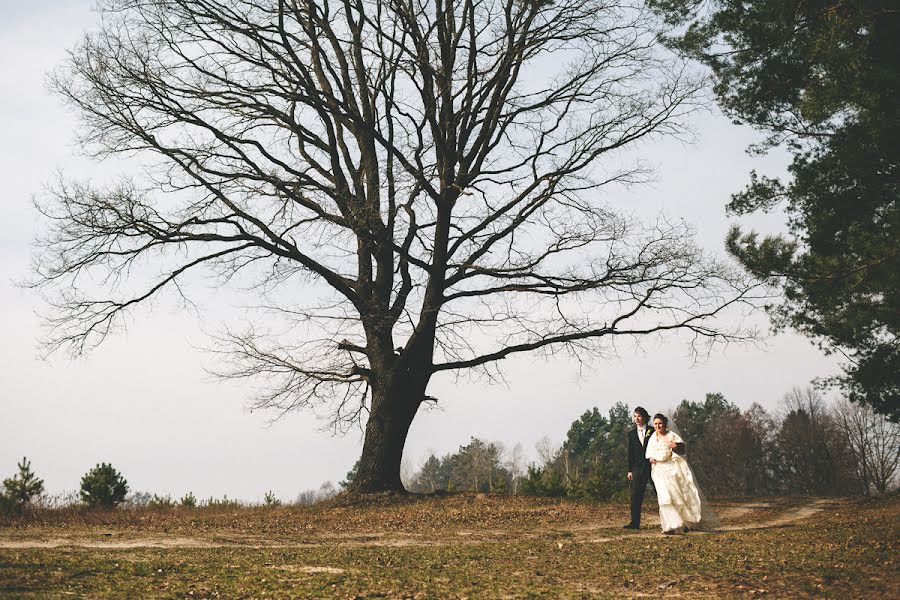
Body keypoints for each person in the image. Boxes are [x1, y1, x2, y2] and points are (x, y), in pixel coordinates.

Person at [645, 413, 719, 534]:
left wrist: (675, 446)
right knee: (664, 498)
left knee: (675, 497)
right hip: (658, 470)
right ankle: (671, 525)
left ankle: (680, 524)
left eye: (660, 423)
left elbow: (682, 449)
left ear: (665, 424)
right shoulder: (653, 437)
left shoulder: (671, 435)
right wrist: (651, 458)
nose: (658, 426)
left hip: (671, 470)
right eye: (656, 424)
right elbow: (649, 453)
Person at [623, 406, 653, 529]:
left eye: (639, 416)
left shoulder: (652, 430)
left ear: (645, 417)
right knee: (635, 495)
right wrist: (630, 470)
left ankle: (668, 520)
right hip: (636, 469)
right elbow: (630, 453)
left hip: (652, 466)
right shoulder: (631, 434)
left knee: (660, 492)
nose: (637, 418)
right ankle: (635, 523)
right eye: (635, 416)